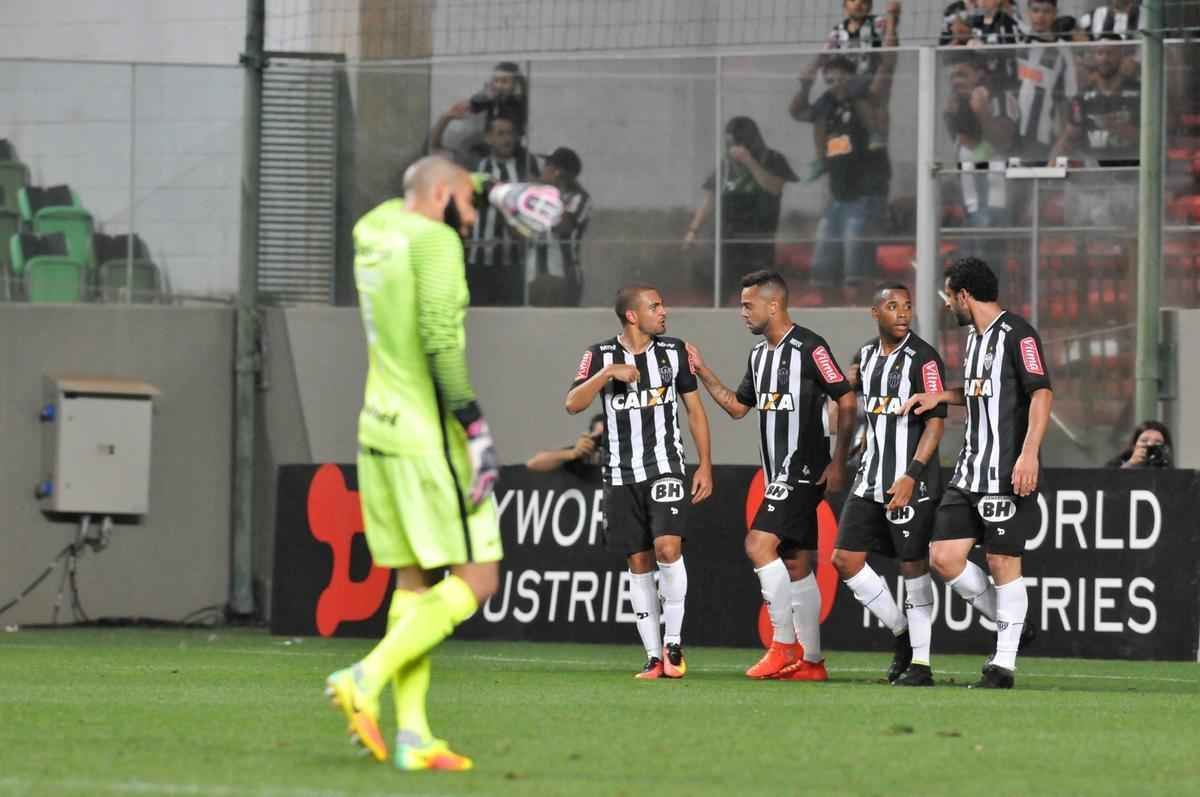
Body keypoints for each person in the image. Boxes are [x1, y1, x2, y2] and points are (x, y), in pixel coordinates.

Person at [324, 156, 502, 770]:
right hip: (429, 438)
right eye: (469, 205)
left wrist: (485, 185)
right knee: (479, 576)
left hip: (377, 427)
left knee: (412, 581)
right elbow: (439, 340)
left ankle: (414, 736)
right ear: (445, 197)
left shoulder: (373, 229)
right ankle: (364, 678)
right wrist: (474, 427)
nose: (473, 217)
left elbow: (419, 189)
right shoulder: (436, 243)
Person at [687, 271, 857, 682]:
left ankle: (782, 646)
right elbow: (737, 408)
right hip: (777, 472)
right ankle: (812, 662)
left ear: (774, 305)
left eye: (748, 305)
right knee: (796, 563)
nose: (742, 313)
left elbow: (847, 401)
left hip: (802, 468)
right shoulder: (760, 356)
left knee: (758, 544)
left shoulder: (811, 348)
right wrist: (703, 371)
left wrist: (838, 461)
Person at [901, 256, 1052, 689]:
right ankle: (1014, 626)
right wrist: (941, 397)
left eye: (950, 296)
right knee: (944, 558)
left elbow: (1041, 393)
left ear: (964, 294)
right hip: (968, 472)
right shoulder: (973, 341)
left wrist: (1029, 454)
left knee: (1003, 560)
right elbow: (980, 392)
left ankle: (1003, 665)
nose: (949, 305)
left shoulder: (1017, 334)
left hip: (1006, 471)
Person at [564, 284, 714, 678]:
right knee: (639, 560)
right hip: (619, 473)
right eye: (655, 306)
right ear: (632, 315)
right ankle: (652, 656)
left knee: (668, 548)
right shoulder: (598, 355)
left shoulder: (674, 352)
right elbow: (572, 403)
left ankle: (674, 643)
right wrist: (607, 374)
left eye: (662, 304)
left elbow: (695, 411)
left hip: (666, 466)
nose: (664, 312)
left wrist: (705, 465)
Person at [832, 284, 947, 687]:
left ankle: (922, 663)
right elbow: (856, 412)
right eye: (893, 306)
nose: (902, 313)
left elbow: (936, 422)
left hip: (909, 481)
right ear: (875, 312)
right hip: (869, 478)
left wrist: (911, 475)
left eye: (908, 306)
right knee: (844, 559)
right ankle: (902, 634)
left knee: (912, 565)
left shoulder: (924, 359)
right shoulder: (864, 357)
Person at [790, 56, 893, 304]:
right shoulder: (827, 104)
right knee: (823, 271)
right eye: (831, 76)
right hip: (838, 196)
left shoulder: (864, 98)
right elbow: (798, 112)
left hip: (864, 196)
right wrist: (805, 85)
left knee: (857, 272)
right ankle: (839, 326)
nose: (837, 81)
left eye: (843, 75)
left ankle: (867, 327)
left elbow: (882, 86)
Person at [684, 117, 798, 304]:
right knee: (720, 289)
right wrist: (693, 230)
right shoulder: (726, 166)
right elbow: (709, 200)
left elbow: (774, 187)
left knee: (758, 293)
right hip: (727, 239)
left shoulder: (773, 159)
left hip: (758, 239)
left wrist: (750, 162)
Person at [1053, 39, 1139, 226]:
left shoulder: (1140, 92)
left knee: (1126, 232)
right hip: (1092, 179)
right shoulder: (1082, 97)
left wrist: (1118, 128)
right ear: (1094, 57)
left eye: (1110, 53)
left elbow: (1152, 137)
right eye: (1100, 53)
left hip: (1129, 178)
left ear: (1121, 56)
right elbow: (1070, 134)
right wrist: (1052, 162)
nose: (1104, 58)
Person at [467, 113, 540, 306]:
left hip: (513, 260)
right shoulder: (478, 166)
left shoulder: (526, 168)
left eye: (510, 133)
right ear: (489, 138)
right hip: (479, 258)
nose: (506, 139)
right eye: (500, 134)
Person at [527, 146, 591, 307]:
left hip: (564, 273)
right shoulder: (537, 194)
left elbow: (564, 226)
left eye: (548, 165)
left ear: (558, 172)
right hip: (533, 273)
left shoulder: (579, 198)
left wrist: (553, 192)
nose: (543, 169)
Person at [430, 62, 528, 167]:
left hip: (505, 146)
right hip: (489, 141)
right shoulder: (490, 98)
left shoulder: (519, 103)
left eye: (504, 81)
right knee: (466, 146)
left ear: (515, 84)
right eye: (496, 81)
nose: (499, 85)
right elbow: (473, 105)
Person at [526, 413, 606, 480]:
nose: (603, 442)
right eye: (599, 438)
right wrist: (573, 453)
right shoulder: (581, 455)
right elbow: (533, 463)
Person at [1106, 420, 1174, 469]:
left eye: (1157, 442)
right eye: (1144, 441)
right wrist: (1130, 464)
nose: (1150, 444)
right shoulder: (1117, 463)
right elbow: (1108, 481)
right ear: (1134, 445)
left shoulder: (1168, 467)